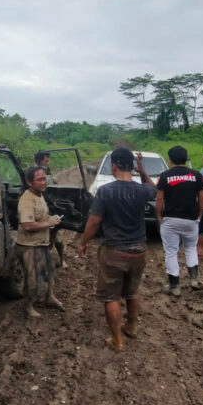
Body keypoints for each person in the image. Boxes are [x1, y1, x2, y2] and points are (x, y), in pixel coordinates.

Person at [77, 148, 155, 351]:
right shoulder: (142, 190)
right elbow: (153, 188)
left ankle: (117, 340)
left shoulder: (106, 191)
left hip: (114, 251)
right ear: (132, 166)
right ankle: (131, 327)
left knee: (111, 296)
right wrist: (142, 171)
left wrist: (83, 241)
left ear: (114, 166)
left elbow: (94, 223)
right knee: (132, 291)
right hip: (139, 250)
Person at [155, 146, 203, 296]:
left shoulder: (164, 176)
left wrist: (159, 215)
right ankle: (194, 280)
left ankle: (174, 286)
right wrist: (200, 214)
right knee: (190, 248)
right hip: (191, 219)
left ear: (170, 160)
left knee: (171, 251)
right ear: (186, 158)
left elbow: (159, 198)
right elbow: (202, 197)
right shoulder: (197, 175)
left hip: (171, 219)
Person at [15, 166, 63, 318]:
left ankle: (50, 298)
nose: (44, 182)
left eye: (45, 178)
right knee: (32, 279)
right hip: (29, 246)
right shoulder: (26, 201)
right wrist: (50, 223)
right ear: (30, 182)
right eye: (40, 179)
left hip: (42, 243)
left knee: (49, 271)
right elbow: (27, 225)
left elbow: (39, 218)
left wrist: (50, 219)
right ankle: (28, 308)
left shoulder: (39, 195)